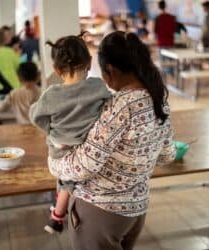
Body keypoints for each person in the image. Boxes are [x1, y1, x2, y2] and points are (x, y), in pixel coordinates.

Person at [45, 31, 176, 249]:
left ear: (110, 71)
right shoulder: (157, 98)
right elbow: (167, 154)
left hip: (102, 211)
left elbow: (83, 166)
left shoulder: (118, 107)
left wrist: (53, 164)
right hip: (136, 211)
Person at [29, 33, 112, 234]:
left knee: (66, 180)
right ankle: (58, 211)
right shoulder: (98, 86)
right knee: (69, 180)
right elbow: (109, 107)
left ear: (57, 70)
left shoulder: (51, 95)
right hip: (87, 148)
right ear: (90, 62)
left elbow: (35, 117)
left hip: (60, 150)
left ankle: (57, 217)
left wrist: (52, 131)